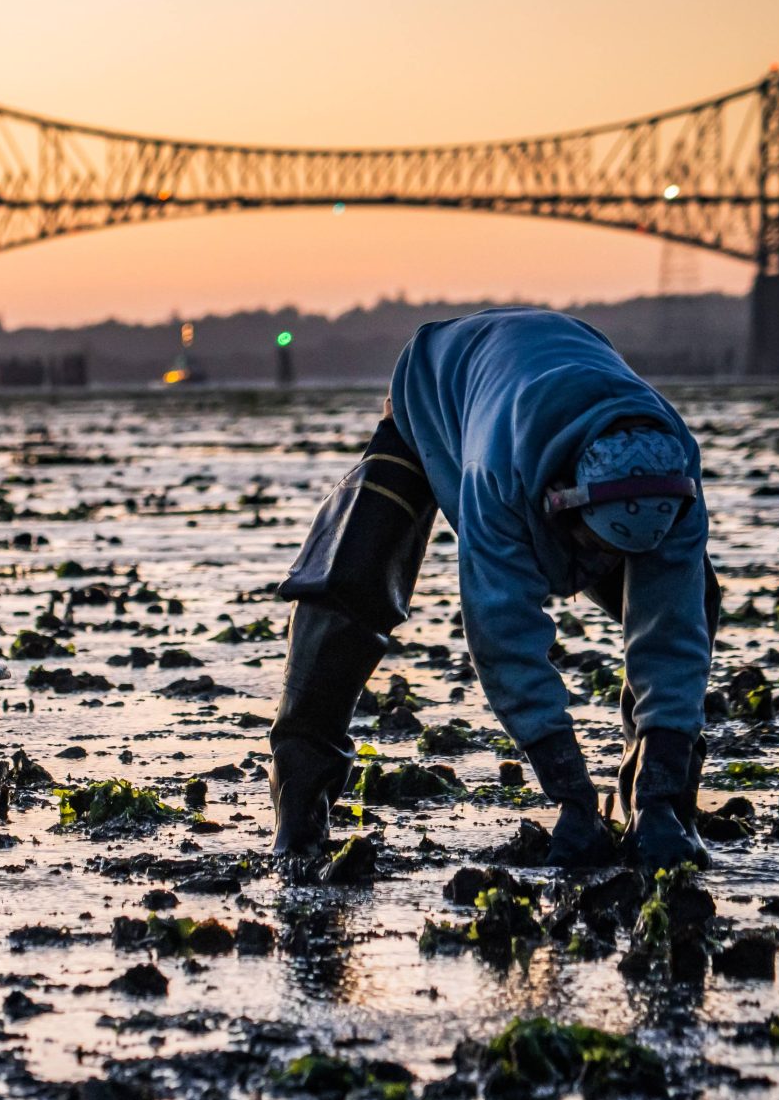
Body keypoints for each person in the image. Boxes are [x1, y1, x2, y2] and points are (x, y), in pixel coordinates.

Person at [267, 307, 715, 874]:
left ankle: (663, 809)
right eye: (596, 547)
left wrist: (659, 793)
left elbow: (672, 636)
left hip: (555, 374)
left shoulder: (676, 479)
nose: (605, 567)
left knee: (694, 598)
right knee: (348, 586)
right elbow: (504, 638)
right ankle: (299, 814)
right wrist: (572, 794)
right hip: (437, 391)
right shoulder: (496, 474)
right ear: (560, 498)